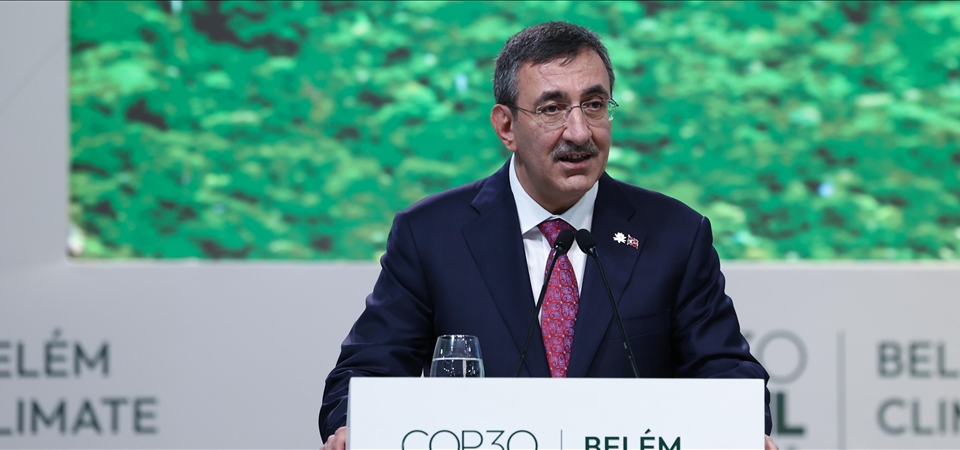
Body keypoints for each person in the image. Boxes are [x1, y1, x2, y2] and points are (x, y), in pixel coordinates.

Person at [320, 21, 778, 450]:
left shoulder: (675, 234)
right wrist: (351, 427)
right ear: (506, 126)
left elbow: (725, 370)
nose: (579, 132)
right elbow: (367, 371)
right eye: (552, 109)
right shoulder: (431, 234)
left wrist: (741, 429)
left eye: (594, 105)